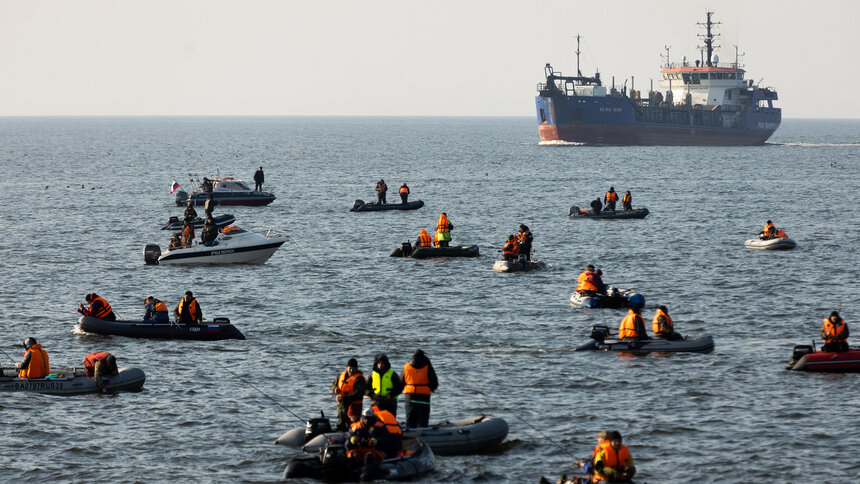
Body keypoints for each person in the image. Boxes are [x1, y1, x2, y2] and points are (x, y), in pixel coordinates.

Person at [345, 407, 393, 477]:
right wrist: (351, 440)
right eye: (365, 418)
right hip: (359, 450)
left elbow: (387, 440)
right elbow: (346, 444)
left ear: (373, 418)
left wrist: (377, 441)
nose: (367, 421)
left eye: (369, 419)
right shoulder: (355, 427)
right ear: (362, 418)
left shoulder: (380, 426)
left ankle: (368, 476)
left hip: (374, 451)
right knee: (351, 457)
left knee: (369, 457)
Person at [401, 349, 438, 428]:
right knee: (423, 419)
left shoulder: (406, 366)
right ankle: (423, 433)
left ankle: (409, 435)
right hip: (423, 395)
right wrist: (430, 388)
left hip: (409, 395)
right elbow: (434, 382)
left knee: (410, 418)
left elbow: (401, 381)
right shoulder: (427, 365)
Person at [332, 358, 367, 431]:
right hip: (341, 406)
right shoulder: (342, 375)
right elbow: (334, 384)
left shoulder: (360, 379)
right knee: (341, 423)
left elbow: (358, 393)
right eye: (350, 368)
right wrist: (335, 388)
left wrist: (344, 398)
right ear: (347, 367)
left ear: (356, 369)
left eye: (353, 368)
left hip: (353, 407)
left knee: (352, 425)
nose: (351, 370)